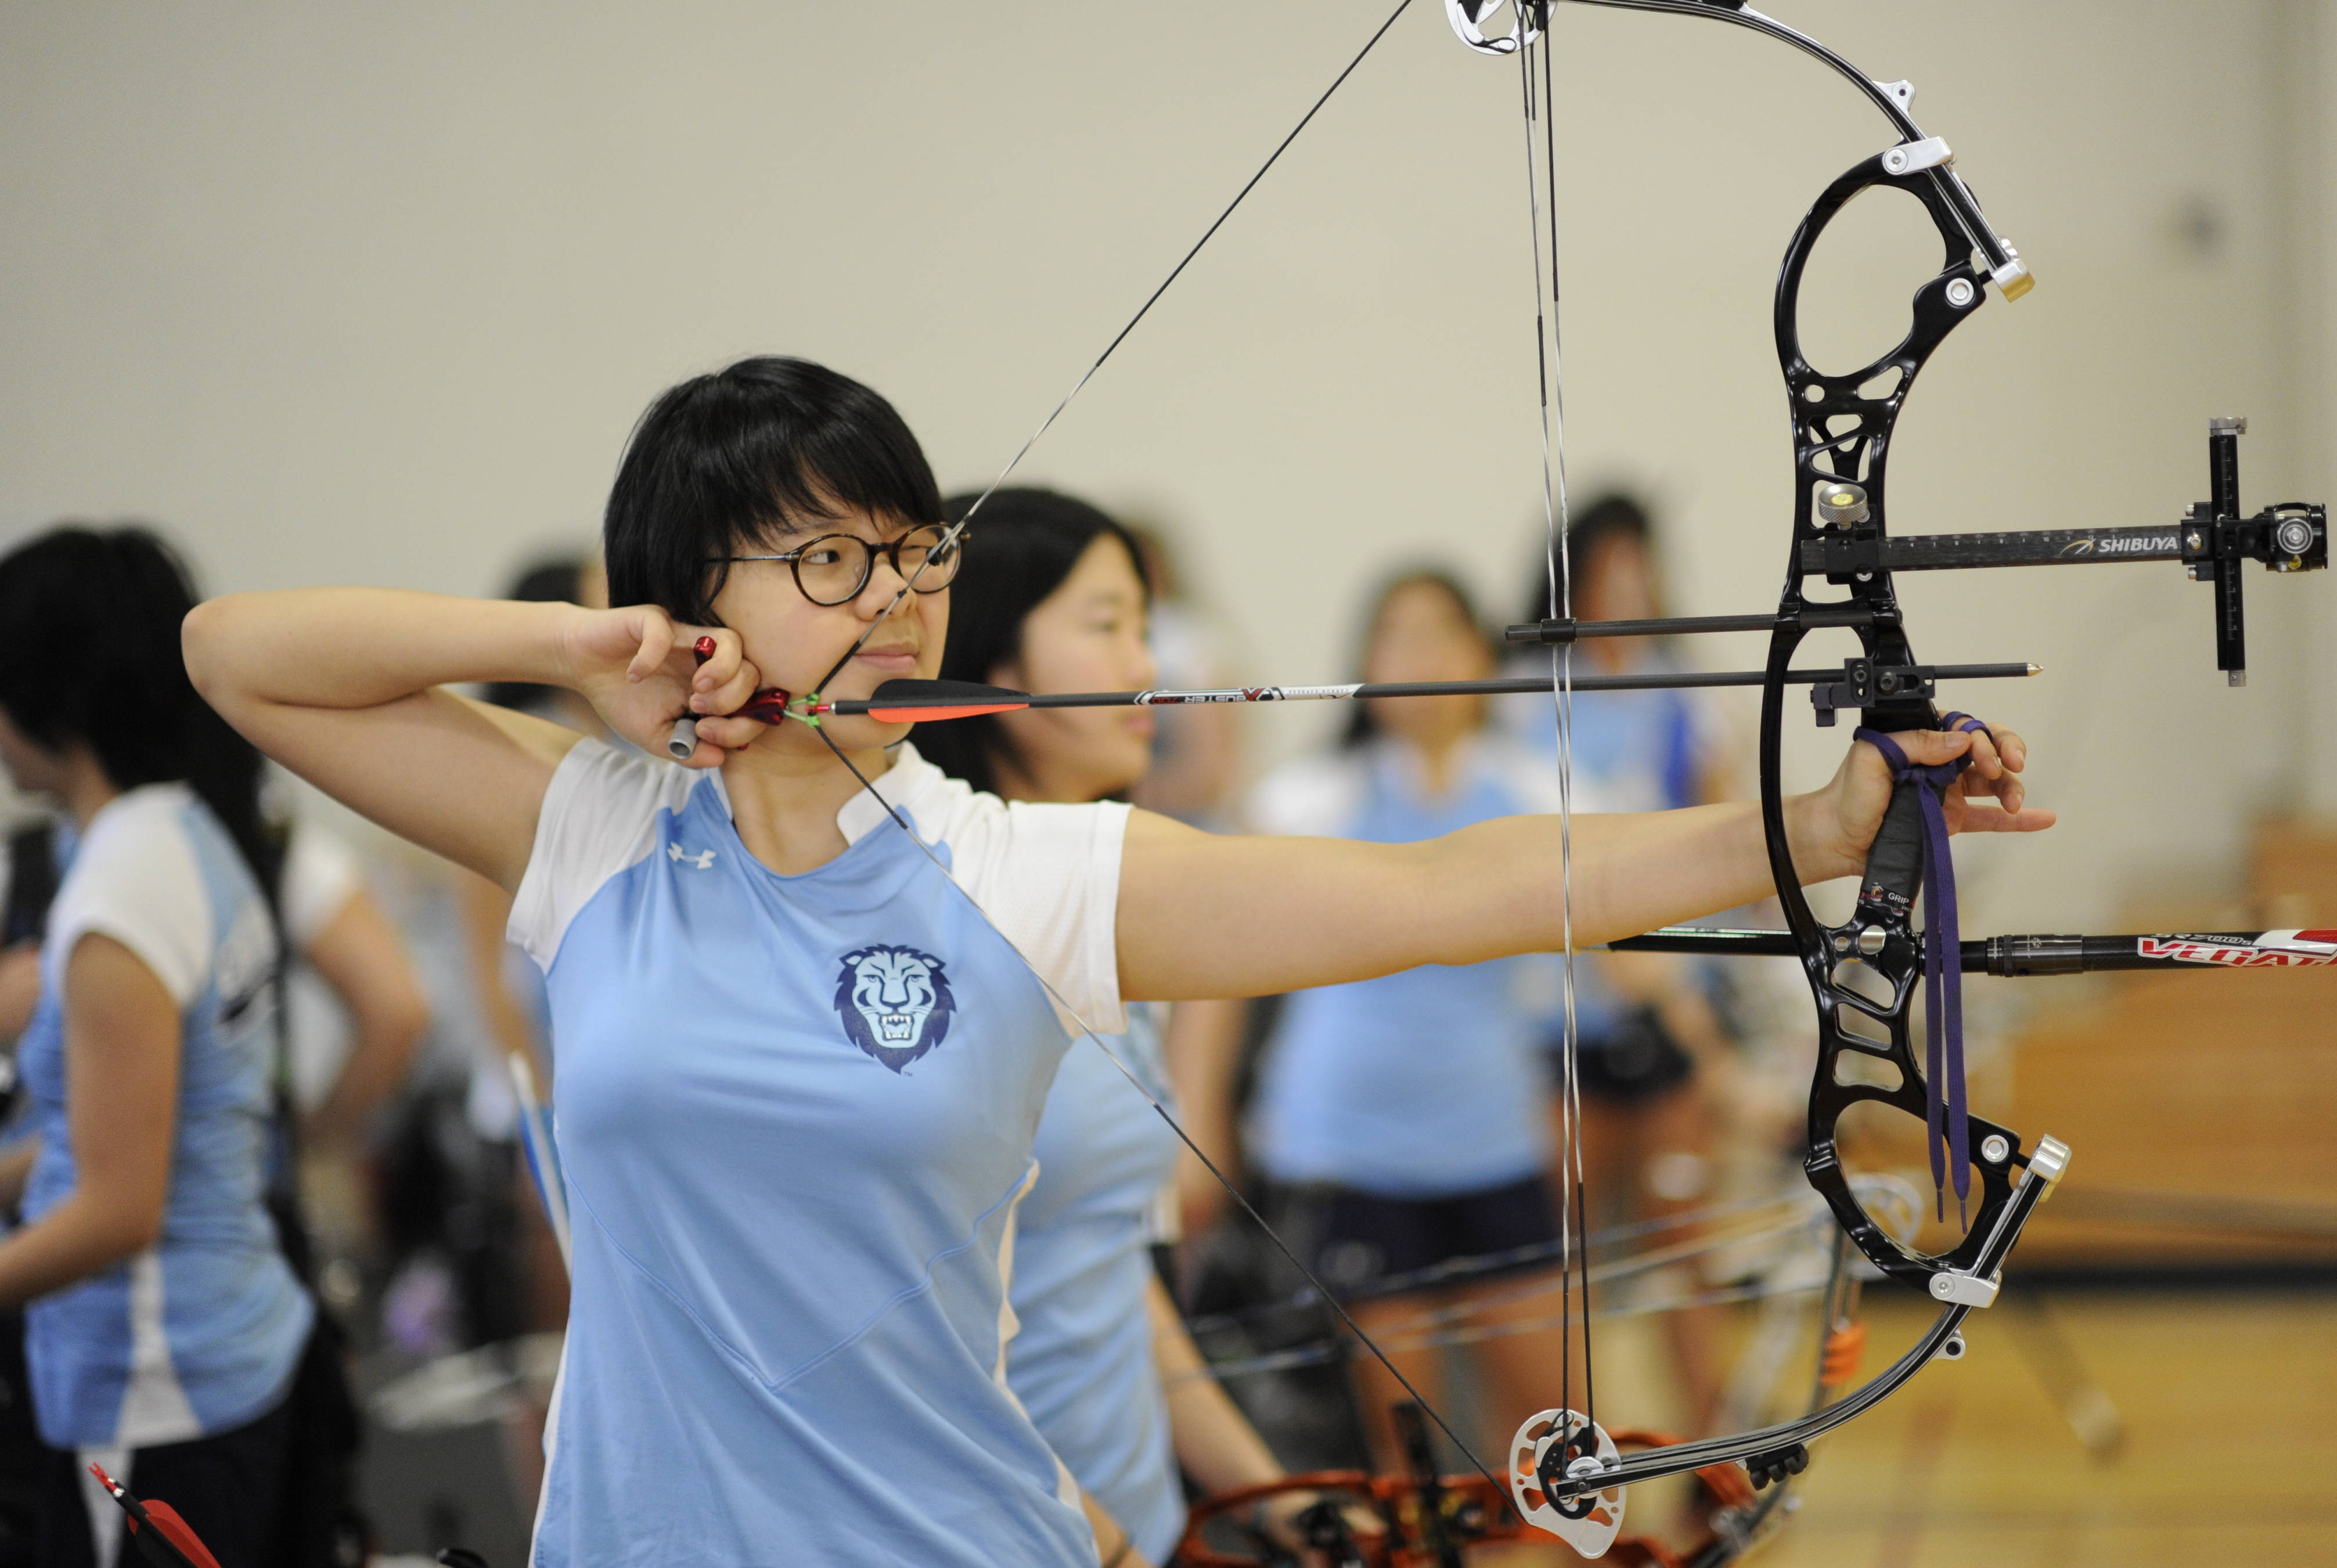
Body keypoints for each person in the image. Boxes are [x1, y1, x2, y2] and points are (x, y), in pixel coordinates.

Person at [181, 355, 2047, 1567]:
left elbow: (1452, 890)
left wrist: (1821, 825)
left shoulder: (1029, 876)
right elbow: (236, 654)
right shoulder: (587, 829)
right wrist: (581, 646)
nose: (892, 595)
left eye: (906, 553)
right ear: (700, 597)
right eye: (823, 558)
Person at [908, 486, 1307, 1567]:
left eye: (1145, 626)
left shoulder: (1100, 901)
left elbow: (1106, 1272)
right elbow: (903, 1354)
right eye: (1106, 626)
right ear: (991, 666)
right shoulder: (928, 943)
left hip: (1135, 1527)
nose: (1147, 666)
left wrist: (1273, 1496)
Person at [0, 530, 330, 1567]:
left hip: (157, 1393)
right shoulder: (184, 829)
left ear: (48, 697)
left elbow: (116, 1207)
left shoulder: (113, 897)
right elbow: (134, 1130)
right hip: (228, 1351)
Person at [1243, 568, 1596, 1472]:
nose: (1423, 657)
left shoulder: (1544, 793)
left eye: (1442, 633)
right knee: (1410, 1445)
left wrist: (1713, 1063)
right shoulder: (1305, 802)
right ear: (1365, 663)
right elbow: (1225, 983)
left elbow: (1623, 959)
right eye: (1397, 635)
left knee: (1550, 1433)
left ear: (1481, 653)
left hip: (1490, 1140)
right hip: (1347, 1147)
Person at [1507, 492, 1742, 1426]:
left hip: (1675, 1003)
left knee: (1683, 1236)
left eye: (1637, 567)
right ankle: (1570, 1457)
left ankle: (1711, 1452)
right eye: (1605, 568)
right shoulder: (1523, 688)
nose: (1624, 587)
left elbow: (1729, 839)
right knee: (1555, 1257)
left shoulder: (1681, 691)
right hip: (1560, 1020)